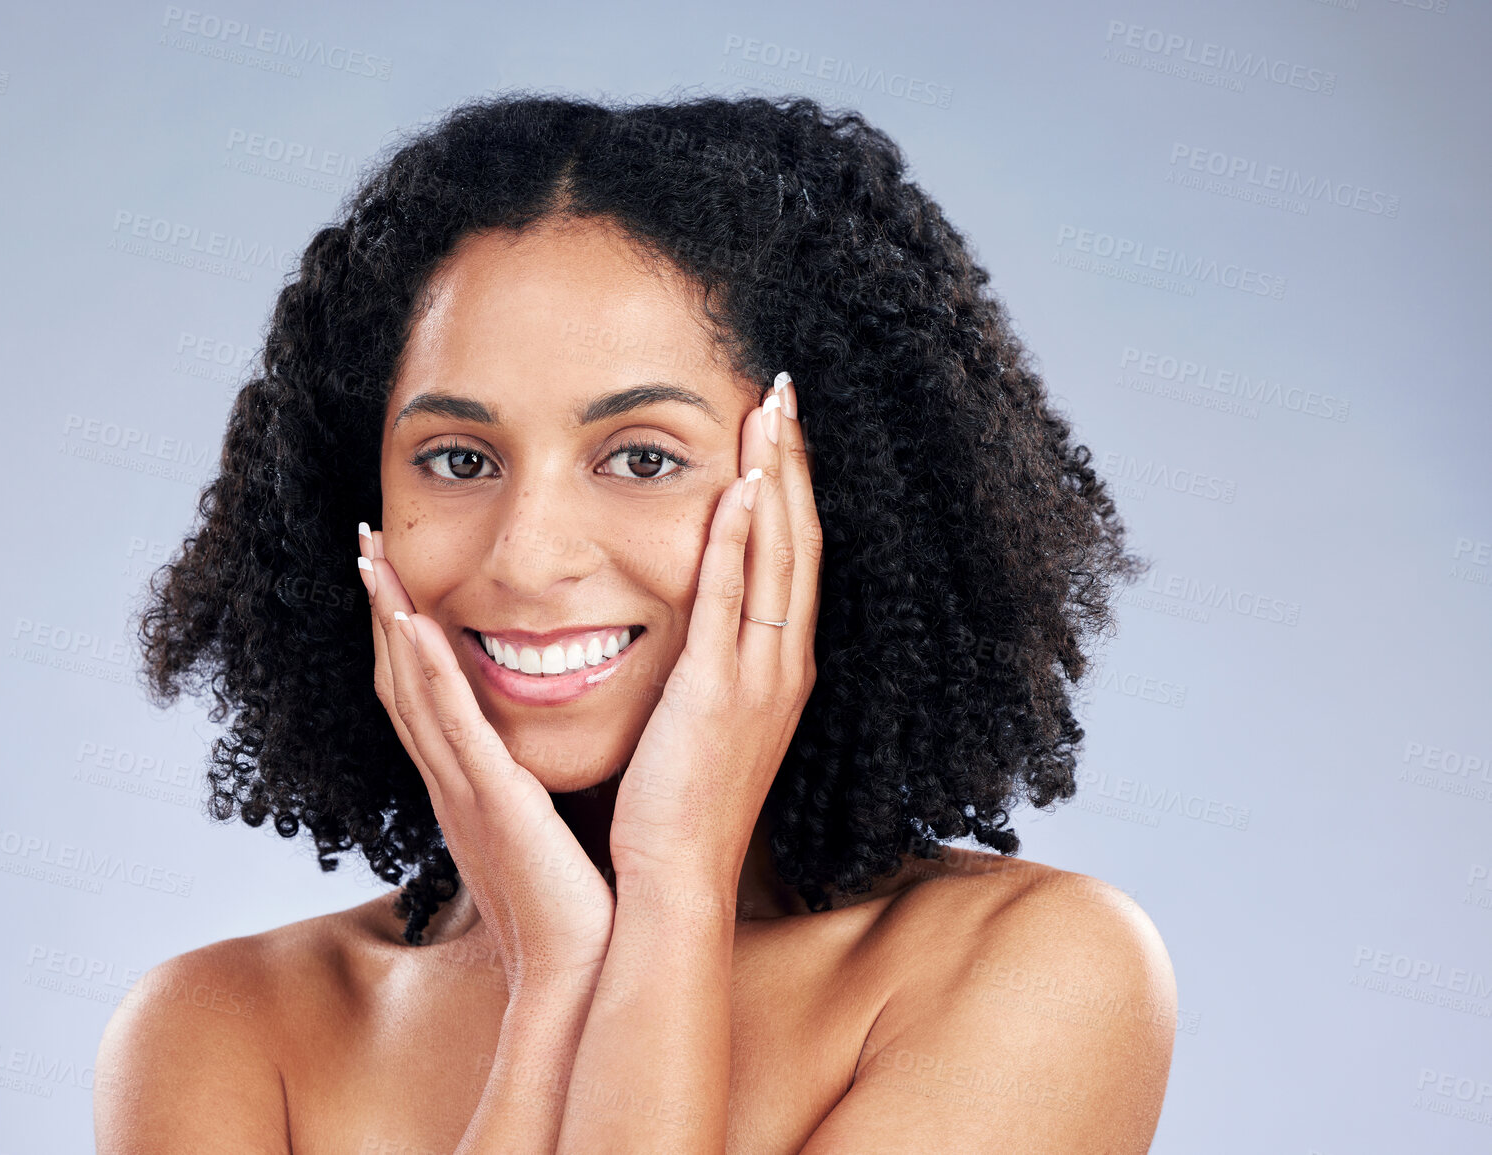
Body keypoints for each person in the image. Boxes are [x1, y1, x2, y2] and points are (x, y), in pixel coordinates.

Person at [94, 92, 1177, 1153]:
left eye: (644, 458)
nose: (528, 556)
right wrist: (555, 977)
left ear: (824, 493)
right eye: (459, 461)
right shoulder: (222, 1032)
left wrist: (672, 888)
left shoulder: (1029, 974)